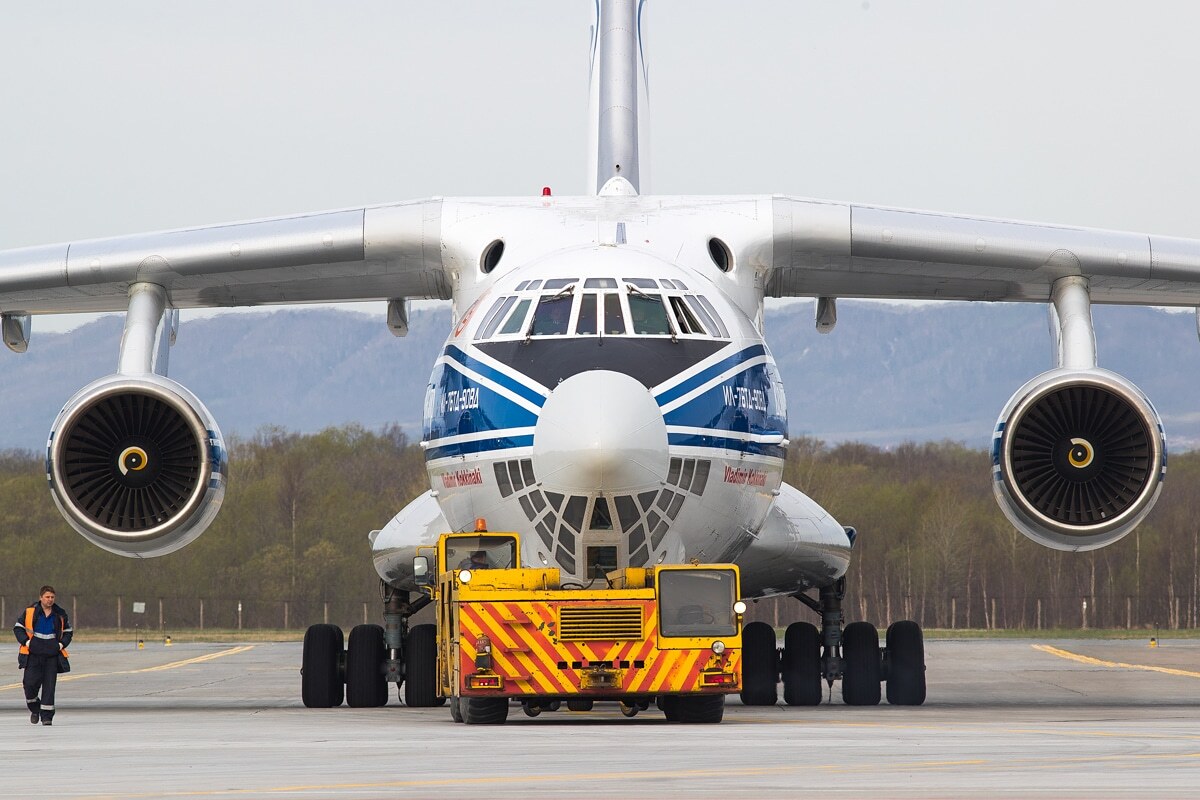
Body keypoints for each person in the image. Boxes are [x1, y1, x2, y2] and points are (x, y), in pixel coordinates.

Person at [13, 585, 72, 726]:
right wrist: (27, 643)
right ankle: (35, 709)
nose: (50, 600)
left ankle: (47, 717)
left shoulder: (60, 613)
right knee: (29, 685)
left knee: (49, 687)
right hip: (33, 654)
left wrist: (60, 645)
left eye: (52, 597)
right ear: (41, 598)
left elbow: (68, 632)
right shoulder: (30, 612)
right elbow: (18, 628)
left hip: (51, 655)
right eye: (47, 597)